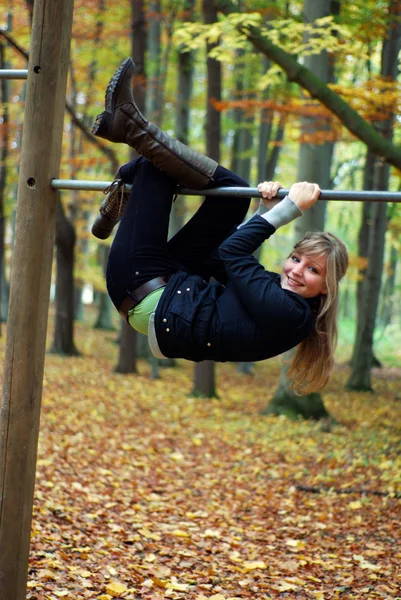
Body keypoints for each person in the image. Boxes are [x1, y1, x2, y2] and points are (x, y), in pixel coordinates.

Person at [90, 57, 349, 394]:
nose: (297, 270)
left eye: (313, 270)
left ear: (326, 287)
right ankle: (124, 174)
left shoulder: (289, 313)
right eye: (297, 259)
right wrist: (262, 211)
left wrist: (287, 210)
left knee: (156, 168)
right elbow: (225, 265)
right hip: (175, 286)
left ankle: (128, 143)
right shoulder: (284, 302)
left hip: (141, 285)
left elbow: (231, 252)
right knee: (233, 195)